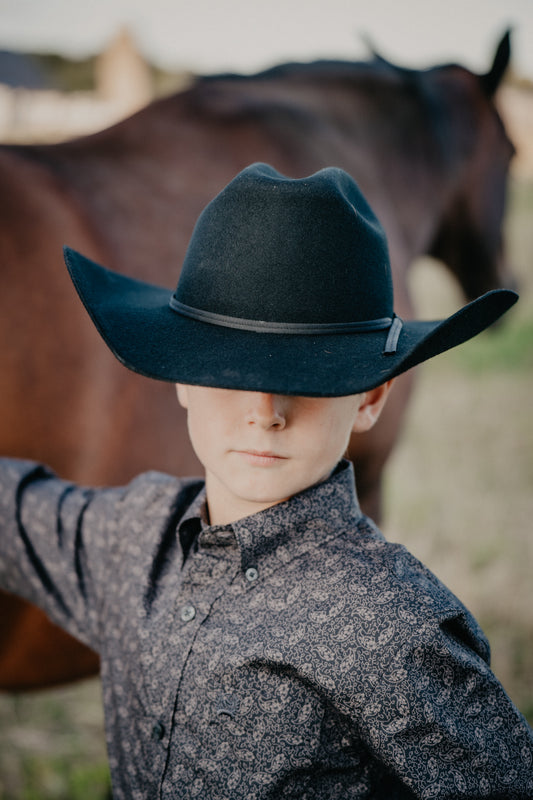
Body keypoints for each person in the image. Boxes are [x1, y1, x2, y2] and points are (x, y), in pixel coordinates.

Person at [0, 163, 531, 799]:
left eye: (310, 376)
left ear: (370, 398)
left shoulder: (392, 625)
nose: (265, 411)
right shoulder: (130, 536)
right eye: (229, 371)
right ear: (183, 375)